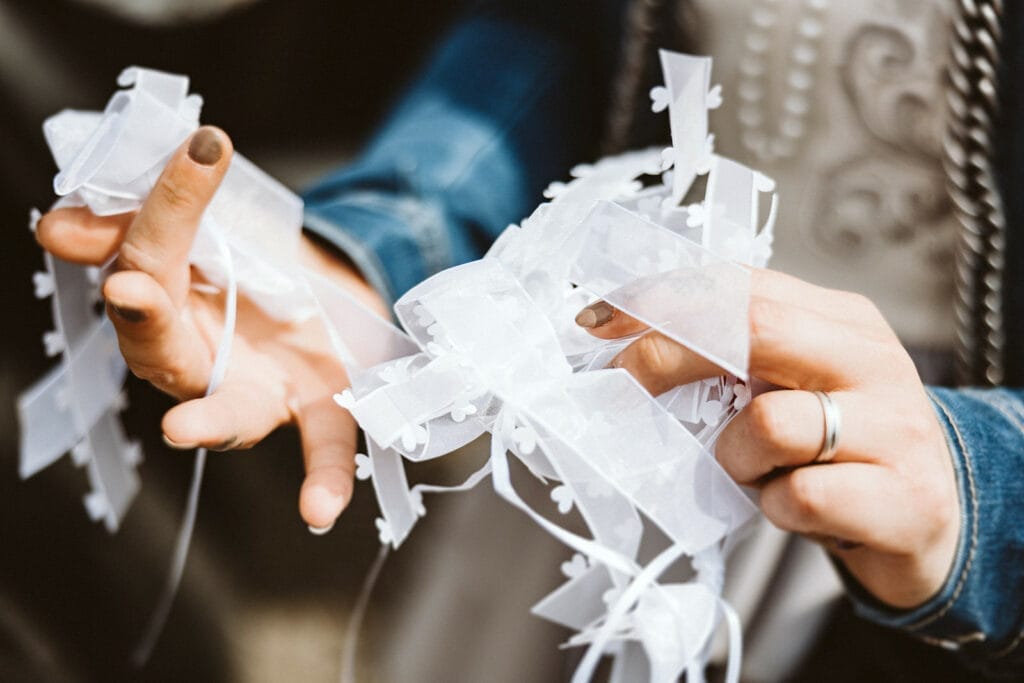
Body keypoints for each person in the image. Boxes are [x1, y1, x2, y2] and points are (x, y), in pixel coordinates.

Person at [32, 0, 1024, 679]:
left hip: (898, 481)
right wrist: (368, 254)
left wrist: (984, 489)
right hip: (607, 403)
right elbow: (565, 25)